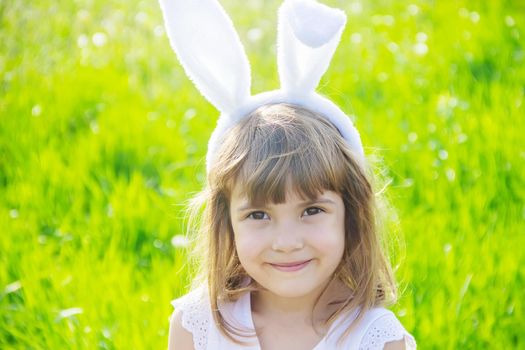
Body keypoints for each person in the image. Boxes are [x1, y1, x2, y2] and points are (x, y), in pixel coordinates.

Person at [158, 0, 417, 349]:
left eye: (312, 210)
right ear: (227, 222)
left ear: (351, 214)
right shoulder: (197, 325)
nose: (287, 241)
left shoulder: (375, 338)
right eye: (258, 215)